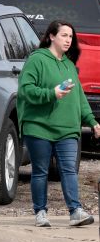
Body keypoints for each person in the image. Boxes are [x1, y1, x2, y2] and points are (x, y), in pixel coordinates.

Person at [17, 20, 99, 228]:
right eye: (64, 35)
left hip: (67, 128)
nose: (68, 40)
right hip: (39, 126)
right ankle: (41, 213)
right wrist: (51, 94)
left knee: (69, 170)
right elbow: (26, 90)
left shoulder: (69, 65)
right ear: (51, 36)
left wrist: (92, 121)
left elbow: (79, 98)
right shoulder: (37, 60)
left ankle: (75, 211)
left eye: (71, 37)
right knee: (41, 171)